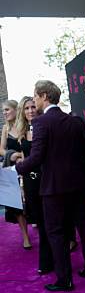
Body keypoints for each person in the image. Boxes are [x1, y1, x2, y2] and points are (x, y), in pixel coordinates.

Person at [16, 80, 85, 291]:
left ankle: (64, 279)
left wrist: (17, 168)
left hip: (53, 188)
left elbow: (36, 157)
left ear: (44, 96)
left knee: (56, 232)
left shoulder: (42, 123)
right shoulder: (75, 121)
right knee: (84, 227)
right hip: (78, 184)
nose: (34, 101)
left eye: (35, 96)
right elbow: (84, 148)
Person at [13, 96, 54, 273]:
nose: (30, 110)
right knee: (39, 221)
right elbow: (25, 157)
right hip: (30, 182)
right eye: (26, 108)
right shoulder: (21, 133)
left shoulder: (42, 127)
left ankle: (47, 262)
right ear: (22, 112)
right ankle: (47, 261)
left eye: (32, 107)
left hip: (45, 179)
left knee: (48, 222)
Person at [0, 99, 31, 248]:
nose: (4, 113)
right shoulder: (5, 128)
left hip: (28, 167)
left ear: (15, 109)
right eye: (3, 111)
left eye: (6, 110)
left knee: (30, 200)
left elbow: (30, 146)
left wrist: (22, 156)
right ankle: (25, 236)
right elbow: (1, 149)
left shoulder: (24, 126)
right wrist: (12, 155)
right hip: (12, 169)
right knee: (17, 203)